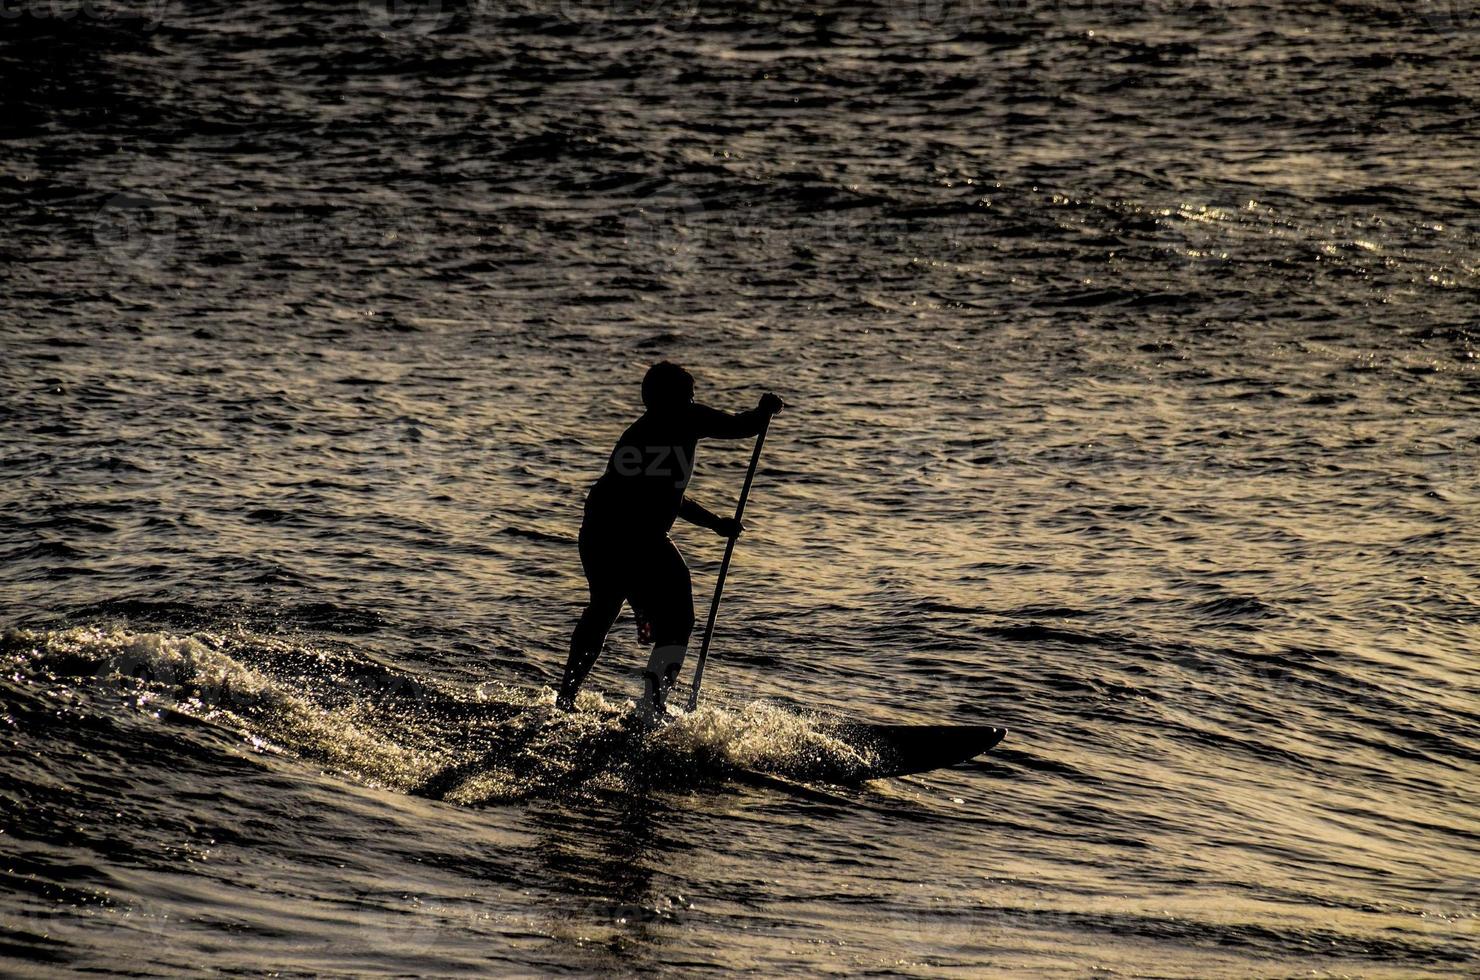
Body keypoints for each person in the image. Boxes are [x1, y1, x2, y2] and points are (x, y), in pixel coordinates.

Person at [558, 361, 784, 717]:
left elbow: (664, 495)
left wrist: (715, 523)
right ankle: (651, 706)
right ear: (669, 399)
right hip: (635, 537)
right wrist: (765, 410)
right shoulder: (684, 417)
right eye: (689, 397)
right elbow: (742, 426)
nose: (694, 403)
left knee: (604, 609)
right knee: (678, 620)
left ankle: (567, 698)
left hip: (600, 533)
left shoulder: (639, 432)